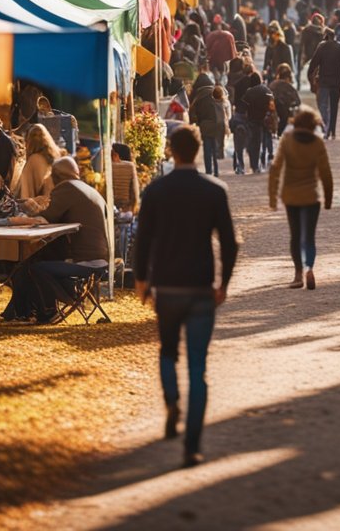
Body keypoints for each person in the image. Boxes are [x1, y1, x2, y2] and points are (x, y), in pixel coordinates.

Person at [135, 126, 238, 467]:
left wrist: (141, 281)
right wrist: (224, 282)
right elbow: (228, 241)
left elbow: (143, 240)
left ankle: (171, 401)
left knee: (167, 352)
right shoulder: (214, 191)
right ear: (197, 151)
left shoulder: (155, 191)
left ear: (171, 151)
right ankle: (192, 444)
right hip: (200, 287)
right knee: (198, 365)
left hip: (168, 287)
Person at [3, 156, 109, 324]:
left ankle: (46, 311)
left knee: (33, 266)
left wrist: (28, 210)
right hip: (100, 259)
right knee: (39, 258)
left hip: (83, 260)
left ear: (56, 176)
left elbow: (47, 217)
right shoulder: (90, 190)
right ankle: (21, 311)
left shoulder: (67, 188)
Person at [269, 107, 332, 290]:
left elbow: (276, 168)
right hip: (311, 195)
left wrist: (273, 197)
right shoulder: (317, 143)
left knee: (295, 236)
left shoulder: (287, 140)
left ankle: (297, 274)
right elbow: (325, 172)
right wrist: (328, 198)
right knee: (309, 237)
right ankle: (309, 268)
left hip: (291, 195)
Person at [307, 28, 340, 141]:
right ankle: (332, 130)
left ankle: (326, 127)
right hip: (337, 83)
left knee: (322, 105)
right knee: (334, 107)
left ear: (326, 36)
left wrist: (310, 78)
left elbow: (313, 64)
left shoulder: (322, 47)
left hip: (324, 82)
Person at [241, 74, 275, 174]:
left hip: (253, 120)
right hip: (266, 119)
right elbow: (272, 105)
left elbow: (244, 106)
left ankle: (255, 165)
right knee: (265, 141)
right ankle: (265, 161)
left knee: (254, 142)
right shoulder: (267, 90)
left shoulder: (249, 92)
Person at [17, 123, 60, 202]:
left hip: (39, 208)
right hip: (54, 204)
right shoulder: (55, 158)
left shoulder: (33, 160)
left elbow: (25, 194)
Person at [270, 64, 301, 136]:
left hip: (271, 105)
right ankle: (279, 133)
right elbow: (298, 101)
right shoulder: (288, 86)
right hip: (283, 108)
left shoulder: (273, 84)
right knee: (284, 117)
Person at [297, 12, 325, 90]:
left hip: (308, 53)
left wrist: (302, 54)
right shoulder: (323, 31)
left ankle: (299, 84)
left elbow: (302, 44)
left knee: (305, 70)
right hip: (319, 55)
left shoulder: (306, 29)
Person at [111, 143, 140, 213]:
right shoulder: (131, 166)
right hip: (125, 208)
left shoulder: (109, 166)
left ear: (116, 155)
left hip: (110, 205)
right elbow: (134, 190)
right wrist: (134, 207)